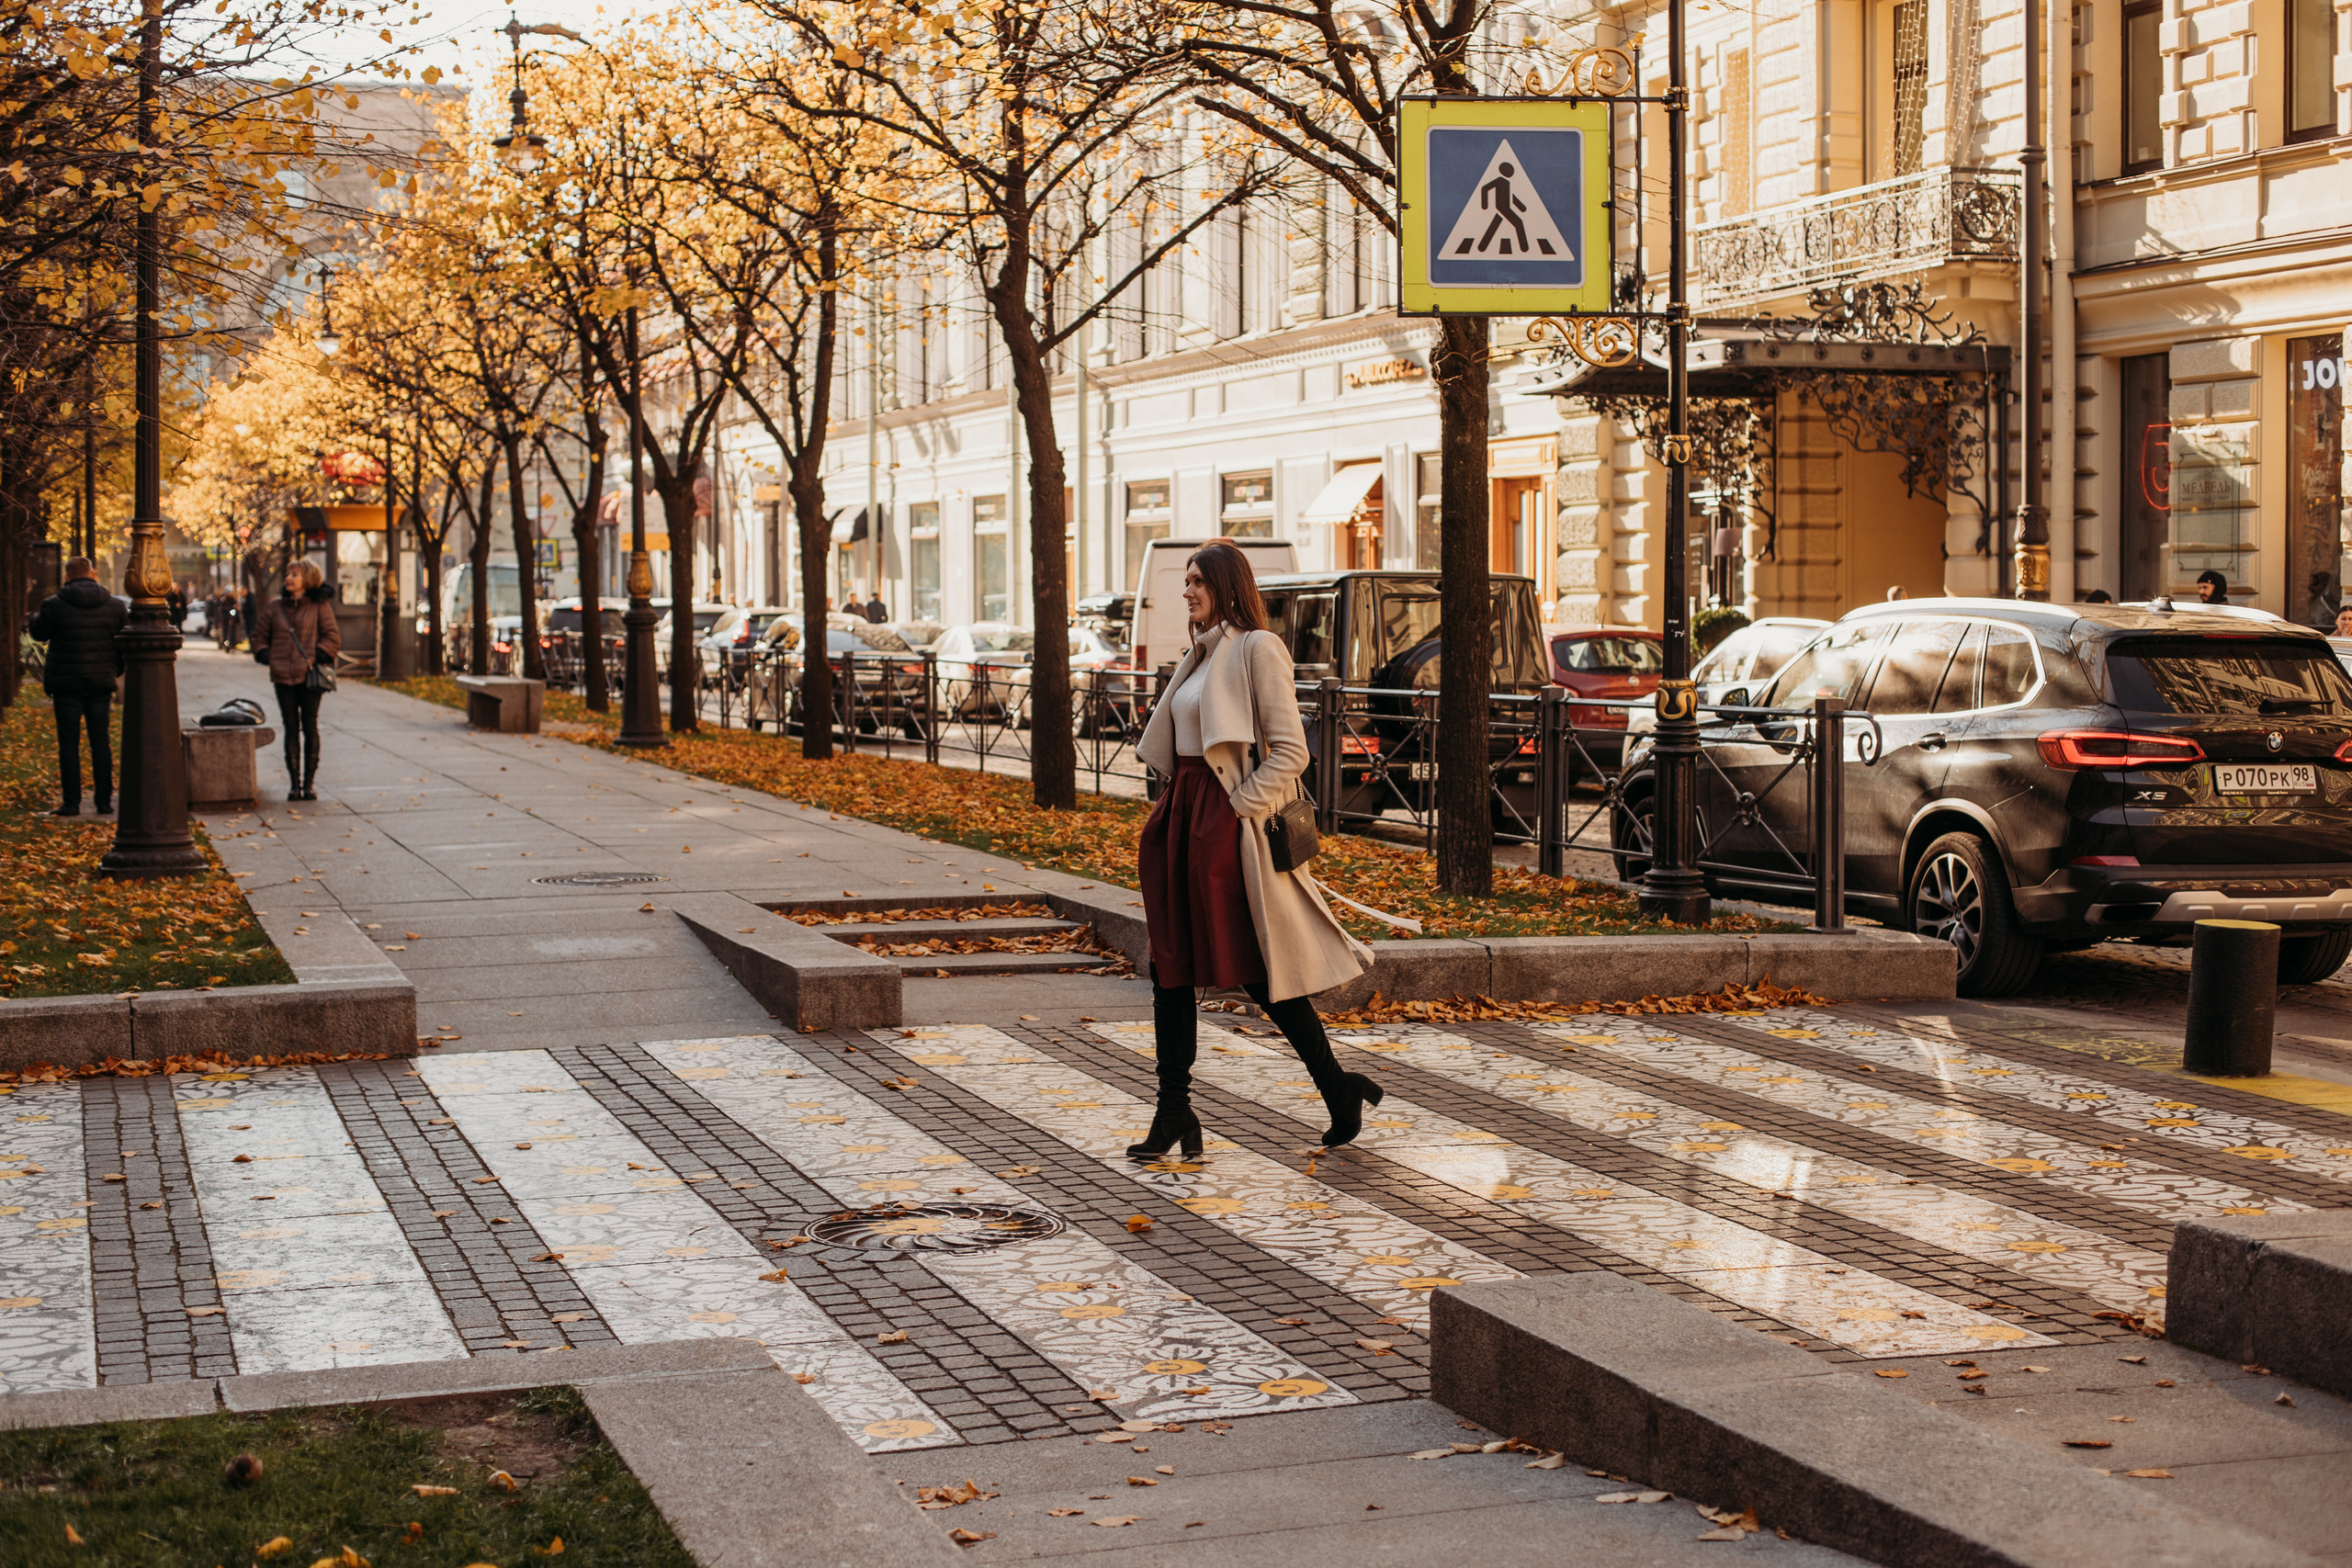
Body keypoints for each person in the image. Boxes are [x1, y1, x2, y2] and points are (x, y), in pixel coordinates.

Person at [1128, 541, 1382, 1159]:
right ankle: (1174, 1108)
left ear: (1223, 584)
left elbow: (1291, 749)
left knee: (1256, 968)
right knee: (1171, 967)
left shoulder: (1255, 648)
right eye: (1185, 580)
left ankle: (1336, 1087)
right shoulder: (1202, 650)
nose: (1185, 590)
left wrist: (1236, 807)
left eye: (1195, 581)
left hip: (1221, 823)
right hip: (1181, 816)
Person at [27, 556, 125, 817]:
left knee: (69, 744)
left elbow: (38, 633)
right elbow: (124, 643)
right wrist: (114, 670)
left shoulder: (54, 605)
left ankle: (71, 803)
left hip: (66, 683)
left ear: (67, 577)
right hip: (100, 682)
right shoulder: (114, 606)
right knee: (100, 742)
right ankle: (104, 802)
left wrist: (37, 616)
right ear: (93, 574)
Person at [256, 559, 340, 801]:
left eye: (295, 574)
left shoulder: (319, 606)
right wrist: (265, 654)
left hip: (309, 676)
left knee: (310, 727)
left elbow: (332, 635)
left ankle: (309, 785)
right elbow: (259, 636)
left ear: (308, 579)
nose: (289, 578)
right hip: (283, 676)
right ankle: (295, 785)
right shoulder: (274, 607)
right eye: (288, 573)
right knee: (291, 728)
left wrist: (319, 654)